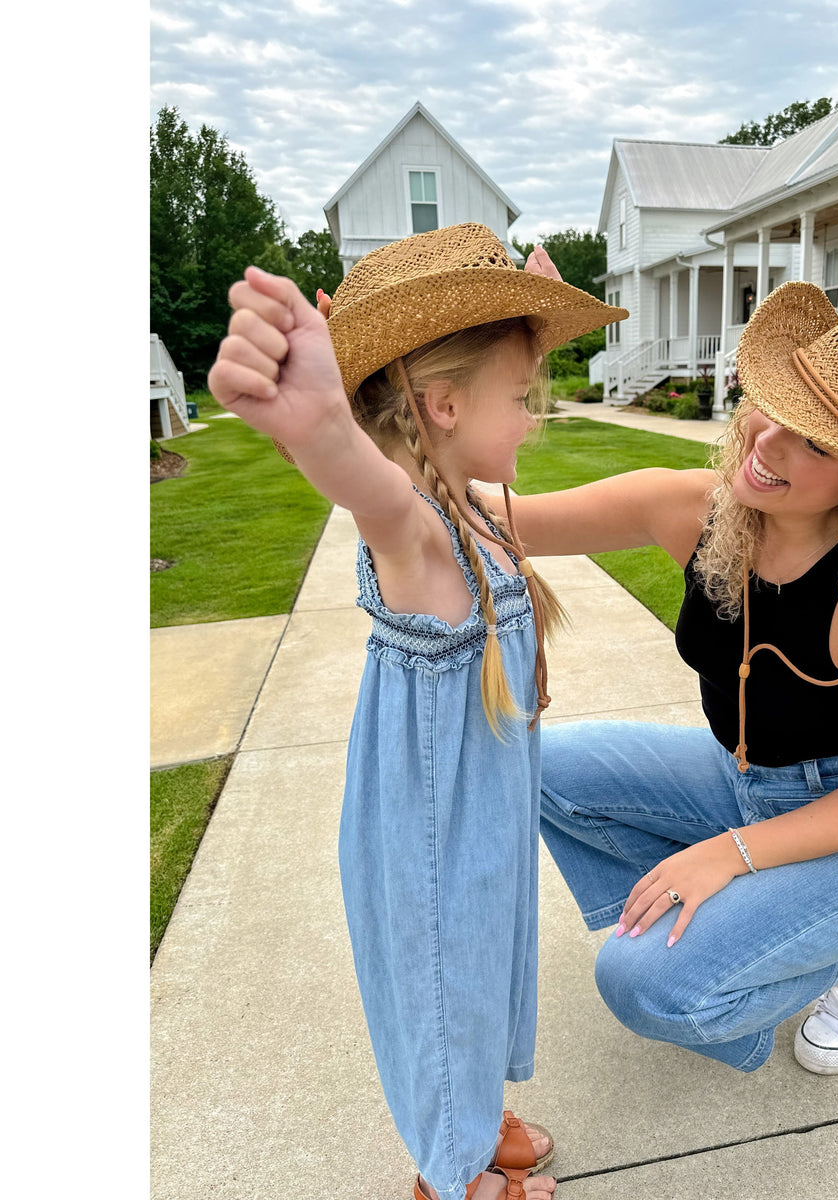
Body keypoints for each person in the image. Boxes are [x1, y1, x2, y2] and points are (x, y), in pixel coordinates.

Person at [207, 223, 626, 1200]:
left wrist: (528, 320)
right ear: (441, 405)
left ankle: (473, 1115)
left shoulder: (473, 501)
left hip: (481, 823)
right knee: (445, 987)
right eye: (525, 399)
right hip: (431, 837)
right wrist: (316, 426)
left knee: (484, 971)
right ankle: (452, 1171)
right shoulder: (419, 532)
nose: (536, 417)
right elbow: (368, 488)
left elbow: (478, 400)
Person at [506, 282, 838, 1077]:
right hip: (742, 781)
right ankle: (723, 924)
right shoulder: (695, 511)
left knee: (643, 987)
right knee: (533, 767)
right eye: (776, 409)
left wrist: (727, 853)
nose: (768, 442)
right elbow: (503, 518)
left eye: (817, 443)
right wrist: (369, 416)